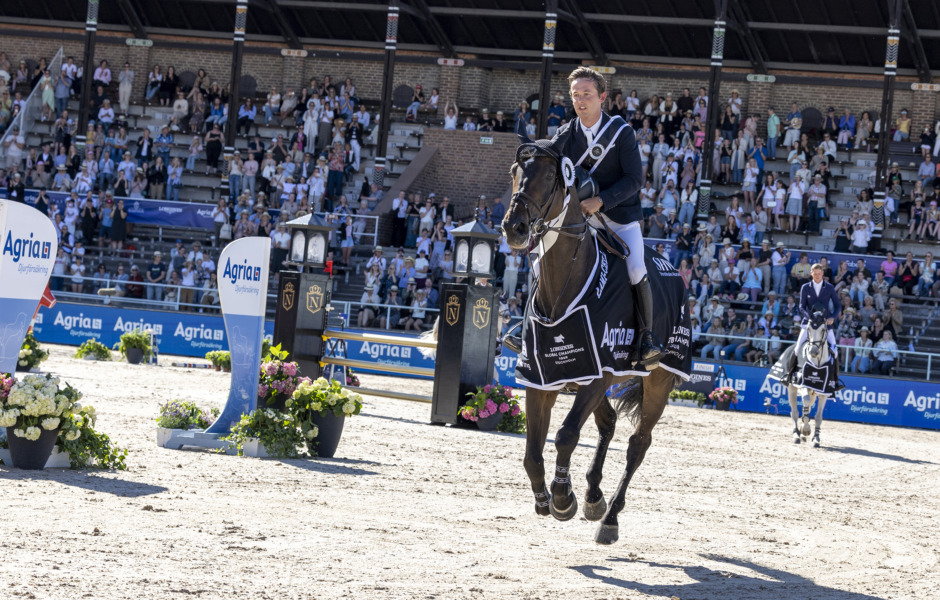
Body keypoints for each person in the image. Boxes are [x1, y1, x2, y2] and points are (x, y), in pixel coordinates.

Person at [517, 66, 659, 366]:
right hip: (578, 218)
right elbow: (549, 164)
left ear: (602, 97)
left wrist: (602, 200)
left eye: (587, 94)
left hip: (618, 216)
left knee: (635, 267)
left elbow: (635, 180)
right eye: (576, 95)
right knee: (540, 261)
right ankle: (526, 328)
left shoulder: (622, 133)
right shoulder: (566, 133)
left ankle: (647, 338)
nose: (580, 101)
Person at [781, 263, 844, 391]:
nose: (817, 276)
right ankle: (789, 375)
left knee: (835, 351)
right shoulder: (805, 287)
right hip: (808, 323)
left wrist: (832, 317)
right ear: (811, 273)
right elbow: (801, 306)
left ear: (822, 274)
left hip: (825, 324)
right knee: (798, 348)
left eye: (819, 273)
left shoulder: (829, 287)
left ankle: (835, 381)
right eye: (815, 273)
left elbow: (838, 305)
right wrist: (809, 316)